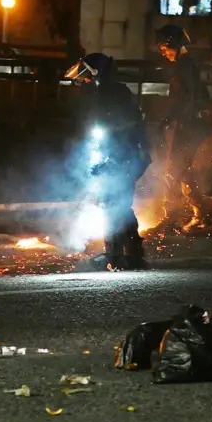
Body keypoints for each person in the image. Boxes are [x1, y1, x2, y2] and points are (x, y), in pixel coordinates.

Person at [65, 53, 152, 270]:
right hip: (118, 155)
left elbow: (126, 126)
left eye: (86, 75)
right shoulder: (101, 92)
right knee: (117, 205)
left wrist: (113, 156)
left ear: (95, 73)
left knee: (114, 204)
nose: (83, 80)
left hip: (123, 157)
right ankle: (131, 255)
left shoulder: (114, 93)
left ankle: (118, 256)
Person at [156, 24, 211, 195]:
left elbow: (186, 97)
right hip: (192, 123)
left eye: (165, 48)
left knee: (174, 170)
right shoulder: (188, 65)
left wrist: (168, 120)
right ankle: (197, 214)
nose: (163, 53)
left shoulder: (184, 67)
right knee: (182, 169)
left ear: (174, 44)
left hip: (190, 124)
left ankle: (172, 217)